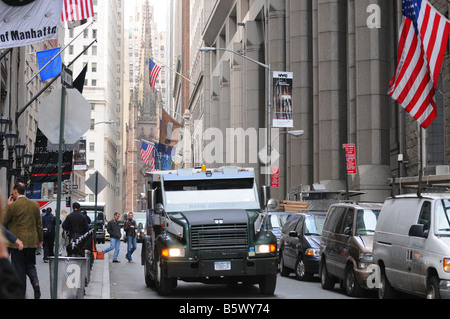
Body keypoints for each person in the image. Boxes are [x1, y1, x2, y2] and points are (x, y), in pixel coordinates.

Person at [3, 182, 43, 299]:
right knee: (30, 265)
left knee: (19, 269)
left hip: (17, 243)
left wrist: (7, 205)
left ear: (15, 191)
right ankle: (35, 283)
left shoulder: (13, 206)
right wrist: (40, 240)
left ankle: (21, 294)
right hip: (32, 241)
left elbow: (3, 220)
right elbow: (39, 225)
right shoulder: (34, 205)